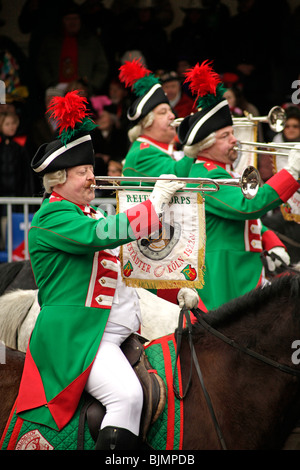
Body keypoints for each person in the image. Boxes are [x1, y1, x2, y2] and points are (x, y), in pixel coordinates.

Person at [15, 90, 198, 450]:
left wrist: (174, 290)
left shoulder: (90, 212)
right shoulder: (54, 216)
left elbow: (131, 266)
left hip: (113, 335)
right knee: (126, 396)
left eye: (92, 170)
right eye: (83, 172)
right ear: (58, 179)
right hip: (79, 337)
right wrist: (153, 204)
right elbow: (100, 236)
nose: (92, 179)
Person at [177, 61, 300, 311]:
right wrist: (292, 172)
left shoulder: (222, 171)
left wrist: (270, 239)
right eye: (226, 136)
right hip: (225, 275)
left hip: (243, 268)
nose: (235, 140)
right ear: (206, 145)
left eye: (232, 133)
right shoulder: (205, 176)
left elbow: (246, 220)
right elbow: (247, 207)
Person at [119, 58, 194, 183]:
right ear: (147, 124)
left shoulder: (157, 149)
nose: (172, 116)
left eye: (170, 111)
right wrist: (195, 148)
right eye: (163, 112)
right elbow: (177, 176)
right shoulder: (143, 153)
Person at [35, 1, 109, 96]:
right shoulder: (51, 41)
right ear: (62, 21)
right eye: (68, 19)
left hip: (83, 92)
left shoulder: (91, 41)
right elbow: (42, 65)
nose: (72, 22)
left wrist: (91, 86)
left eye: (75, 18)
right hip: (56, 92)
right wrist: (50, 84)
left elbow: (102, 66)